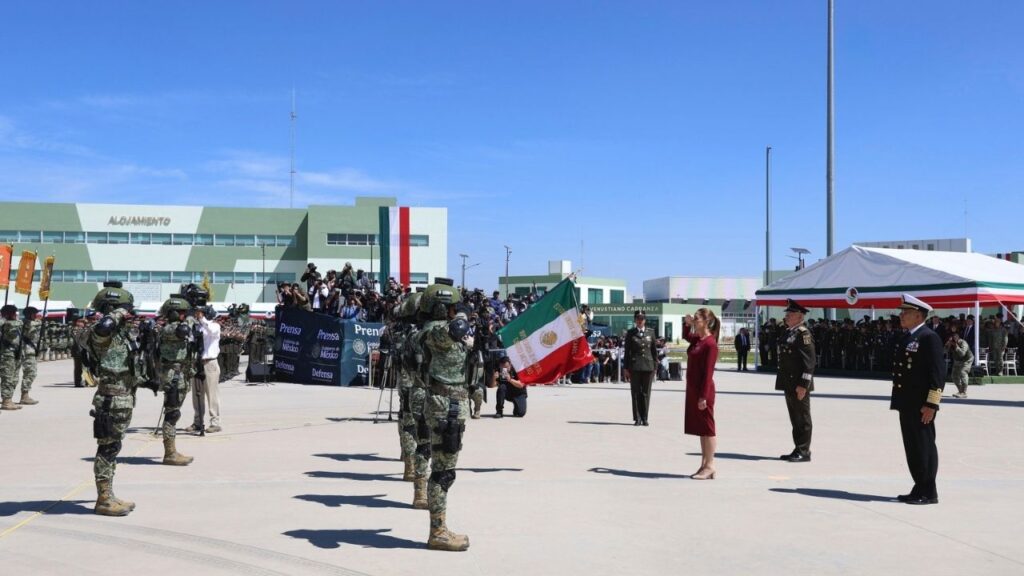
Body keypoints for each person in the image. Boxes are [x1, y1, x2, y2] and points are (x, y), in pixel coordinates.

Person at [417, 279, 471, 551]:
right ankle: (437, 531)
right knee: (443, 473)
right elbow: (456, 329)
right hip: (445, 407)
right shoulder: (436, 332)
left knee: (443, 470)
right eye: (452, 307)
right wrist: (462, 315)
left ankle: (438, 528)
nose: (456, 311)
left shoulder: (437, 331)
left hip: (448, 405)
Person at [85, 282, 142, 515]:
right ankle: (104, 499)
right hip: (111, 400)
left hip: (122, 399)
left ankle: (109, 494)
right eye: (125, 310)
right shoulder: (101, 331)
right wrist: (118, 312)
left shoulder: (120, 334)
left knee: (113, 447)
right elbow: (103, 327)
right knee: (107, 449)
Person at [891, 294, 945, 505]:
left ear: (918, 315)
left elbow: (938, 375)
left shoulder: (928, 337)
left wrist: (932, 404)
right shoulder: (908, 337)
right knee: (912, 447)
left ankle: (929, 491)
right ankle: (919, 485)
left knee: (924, 446)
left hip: (922, 405)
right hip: (906, 402)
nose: (901, 315)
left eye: (905, 312)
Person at [156, 296, 197, 466]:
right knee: (172, 414)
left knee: (174, 413)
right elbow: (183, 331)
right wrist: (190, 317)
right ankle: (170, 453)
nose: (183, 315)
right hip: (174, 376)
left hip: (181, 375)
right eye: (180, 313)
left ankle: (171, 451)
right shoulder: (170, 329)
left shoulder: (177, 326)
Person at [776, 299, 816, 463]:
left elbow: (809, 363)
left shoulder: (803, 334)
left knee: (802, 418)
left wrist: (803, 385)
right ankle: (798, 447)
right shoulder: (789, 332)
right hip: (788, 382)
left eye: (790, 314)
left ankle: (804, 450)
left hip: (799, 384)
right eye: (787, 314)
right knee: (795, 418)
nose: (786, 316)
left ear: (799, 317)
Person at [682, 308, 720, 479]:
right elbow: (686, 336)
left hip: (703, 391)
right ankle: (704, 464)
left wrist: (703, 396)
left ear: (705, 322)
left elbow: (708, 372)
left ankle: (710, 465)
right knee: (701, 430)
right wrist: (686, 323)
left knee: (708, 429)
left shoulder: (710, 343)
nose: (693, 320)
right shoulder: (698, 339)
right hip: (694, 389)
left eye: (696, 319)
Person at [190, 305, 222, 433]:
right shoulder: (197, 327)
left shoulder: (214, 326)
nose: (198, 315)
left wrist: (202, 319)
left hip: (210, 363)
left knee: (212, 395)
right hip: (197, 363)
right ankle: (198, 422)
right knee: (196, 395)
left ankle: (215, 422)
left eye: (201, 313)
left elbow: (211, 331)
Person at [623, 310, 657, 426]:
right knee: (636, 392)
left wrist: (655, 367)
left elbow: (654, 351)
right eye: (638, 318)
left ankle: (645, 417)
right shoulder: (631, 333)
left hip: (648, 366)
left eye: (642, 318)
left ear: (645, 320)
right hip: (635, 366)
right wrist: (626, 368)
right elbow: (627, 352)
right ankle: (637, 418)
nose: (640, 320)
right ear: (635, 320)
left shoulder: (651, 332)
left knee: (646, 393)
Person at [16, 306, 43, 405]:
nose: (37, 316)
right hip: (27, 352)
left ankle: (25, 394)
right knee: (30, 373)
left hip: (31, 351)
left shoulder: (32, 323)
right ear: (30, 314)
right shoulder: (26, 323)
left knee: (31, 373)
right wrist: (40, 322)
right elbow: (31, 328)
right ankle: (24, 395)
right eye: (35, 314)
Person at [0, 304, 23, 410]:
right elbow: (19, 323)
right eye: (14, 313)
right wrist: (4, 317)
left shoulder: (10, 323)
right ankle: (6, 401)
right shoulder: (6, 324)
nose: (16, 315)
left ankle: (9, 399)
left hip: (15, 354)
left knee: (14, 378)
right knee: (7, 378)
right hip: (6, 355)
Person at [947, 331, 973, 398]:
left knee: (963, 372)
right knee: (954, 375)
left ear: (958, 337)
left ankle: (964, 392)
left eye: (955, 336)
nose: (954, 338)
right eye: (953, 337)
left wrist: (956, 346)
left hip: (967, 360)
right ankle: (960, 390)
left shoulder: (963, 343)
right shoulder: (951, 343)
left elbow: (962, 354)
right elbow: (945, 351)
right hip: (957, 360)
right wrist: (948, 345)